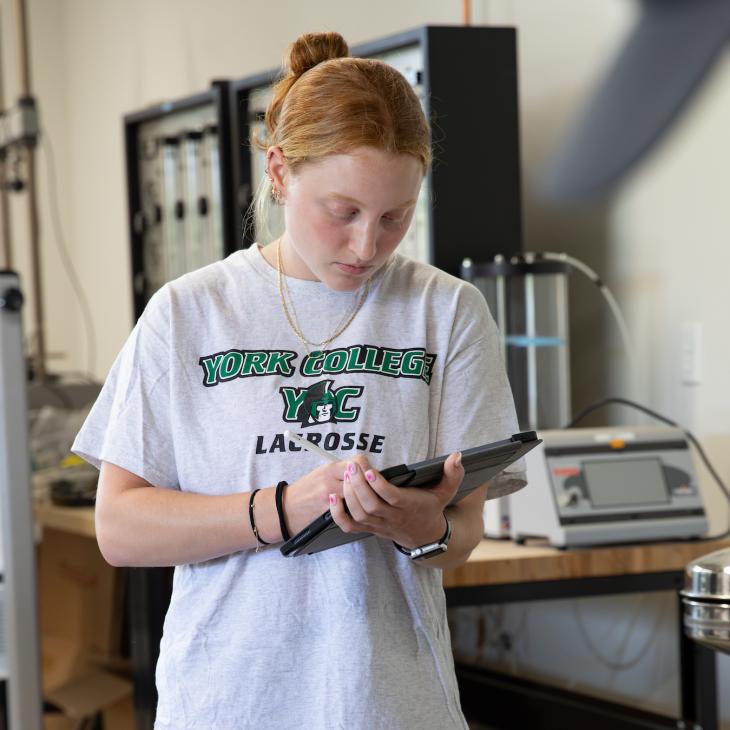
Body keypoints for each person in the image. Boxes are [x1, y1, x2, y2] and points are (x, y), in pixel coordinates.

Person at [73, 31, 520, 730]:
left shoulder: (447, 311)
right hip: (226, 702)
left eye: (395, 217)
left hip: (389, 705)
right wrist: (284, 508)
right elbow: (120, 527)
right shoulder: (189, 313)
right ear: (280, 173)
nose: (368, 245)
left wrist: (422, 524)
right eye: (342, 212)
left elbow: (462, 534)